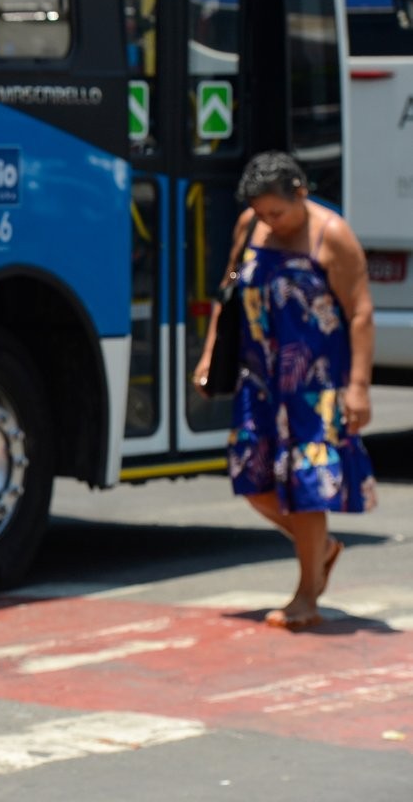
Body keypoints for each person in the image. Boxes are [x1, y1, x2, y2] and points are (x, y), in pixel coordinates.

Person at [194, 151, 378, 631]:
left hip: (314, 387)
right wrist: (211, 354)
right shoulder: (248, 228)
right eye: (260, 213)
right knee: (252, 483)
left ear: (300, 192)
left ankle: (306, 597)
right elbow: (228, 291)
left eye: (276, 212)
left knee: (306, 492)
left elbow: (359, 311)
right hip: (261, 381)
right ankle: (323, 550)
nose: (268, 222)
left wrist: (358, 387)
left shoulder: (331, 235)